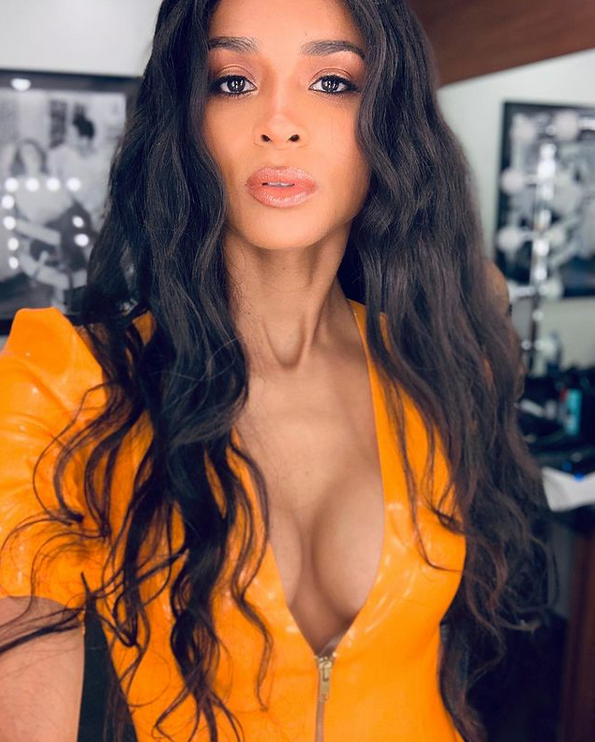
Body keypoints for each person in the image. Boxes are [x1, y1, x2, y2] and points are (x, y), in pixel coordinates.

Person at [0, 1, 550, 741]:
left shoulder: (441, 362)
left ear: (391, 122)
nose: (279, 123)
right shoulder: (64, 387)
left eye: (333, 82)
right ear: (185, 122)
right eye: (232, 81)